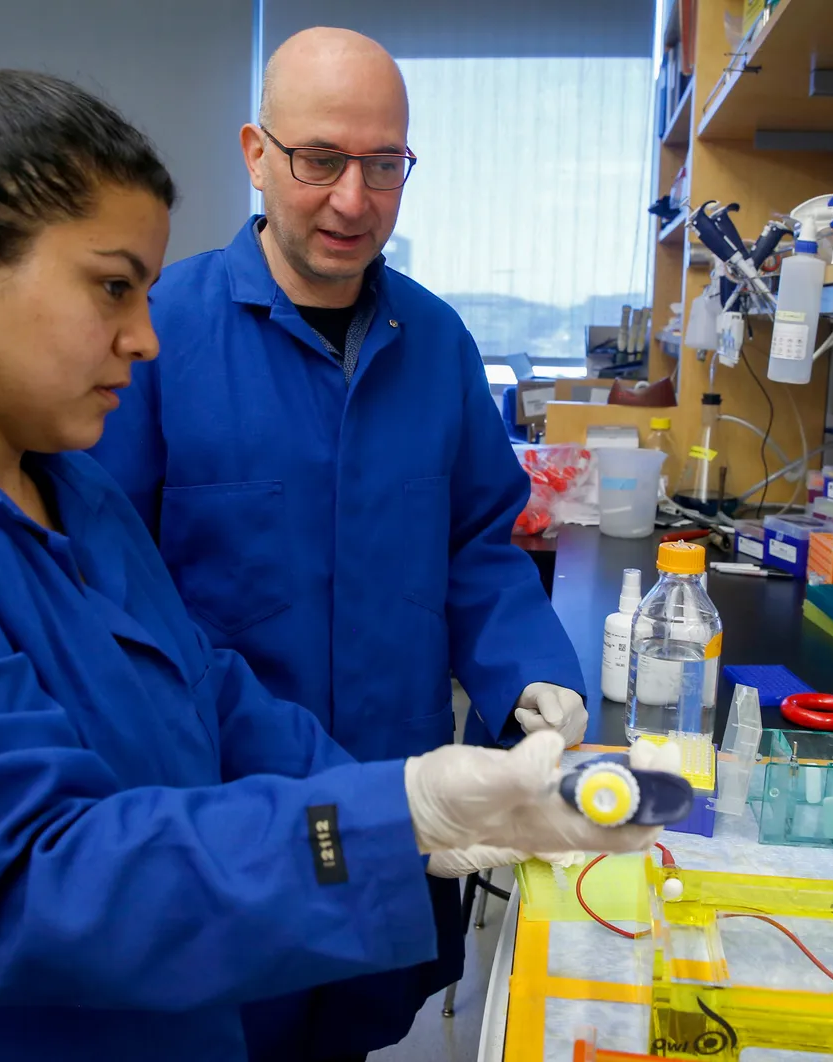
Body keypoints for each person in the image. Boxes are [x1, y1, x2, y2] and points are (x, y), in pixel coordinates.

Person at [0, 59, 670, 1061]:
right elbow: (25, 879)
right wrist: (391, 822)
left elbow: (202, 692)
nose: (146, 336)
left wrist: (411, 787)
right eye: (112, 289)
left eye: (144, 290)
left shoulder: (62, 484)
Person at [89, 26, 589, 1059]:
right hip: (228, 818)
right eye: (320, 162)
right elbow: (102, 587)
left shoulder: (438, 341)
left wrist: (530, 675)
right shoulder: (156, 333)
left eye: (383, 166)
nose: (353, 200)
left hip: (398, 798)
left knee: (353, 1028)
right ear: (254, 153)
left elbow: (476, 548)